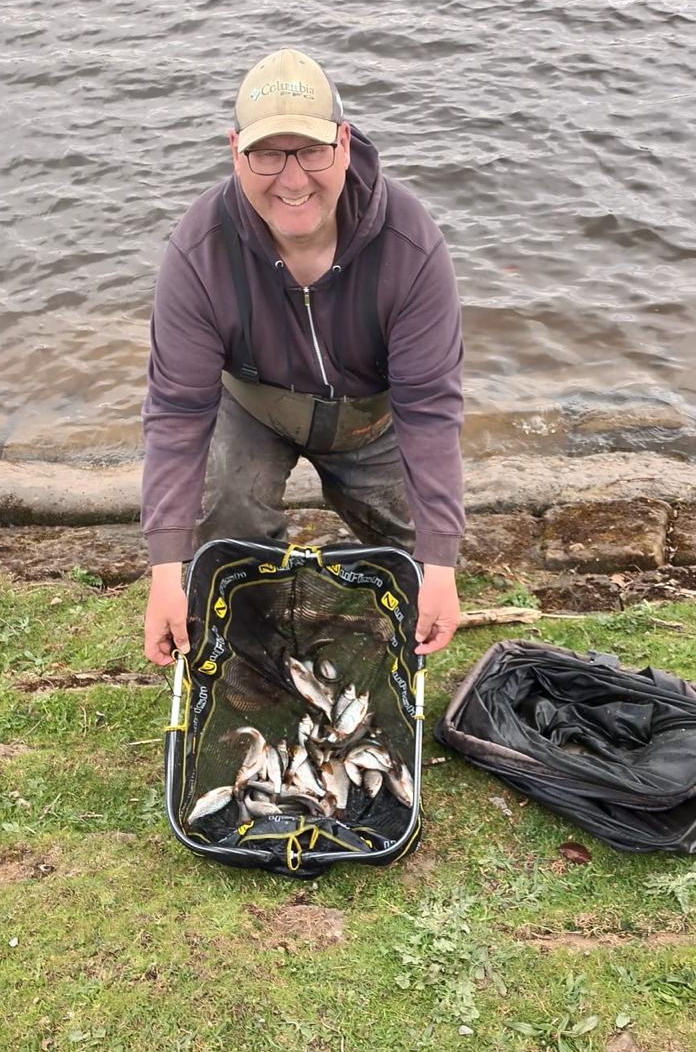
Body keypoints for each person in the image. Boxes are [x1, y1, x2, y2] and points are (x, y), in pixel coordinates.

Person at [141, 47, 465, 666]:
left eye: (311, 151)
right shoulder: (198, 249)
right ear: (236, 151)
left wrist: (441, 559)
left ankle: (392, 612)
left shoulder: (410, 241)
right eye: (267, 154)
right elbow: (177, 411)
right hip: (254, 410)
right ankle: (261, 641)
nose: (292, 180)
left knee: (420, 559)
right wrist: (165, 568)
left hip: (372, 420)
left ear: (343, 144)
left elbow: (430, 407)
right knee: (226, 521)